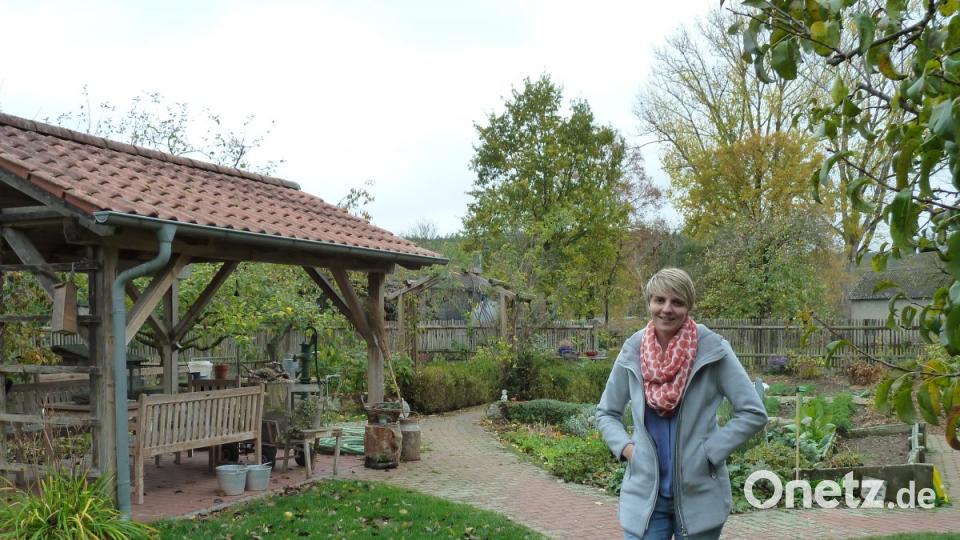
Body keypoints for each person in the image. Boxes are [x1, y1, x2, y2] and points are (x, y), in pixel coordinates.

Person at [597, 268, 767, 540]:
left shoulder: (712, 349)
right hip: (645, 497)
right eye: (659, 300)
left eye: (677, 302)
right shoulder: (633, 350)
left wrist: (709, 453)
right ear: (649, 303)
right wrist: (628, 450)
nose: (667, 309)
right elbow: (606, 413)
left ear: (688, 306)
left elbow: (753, 412)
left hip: (700, 496)